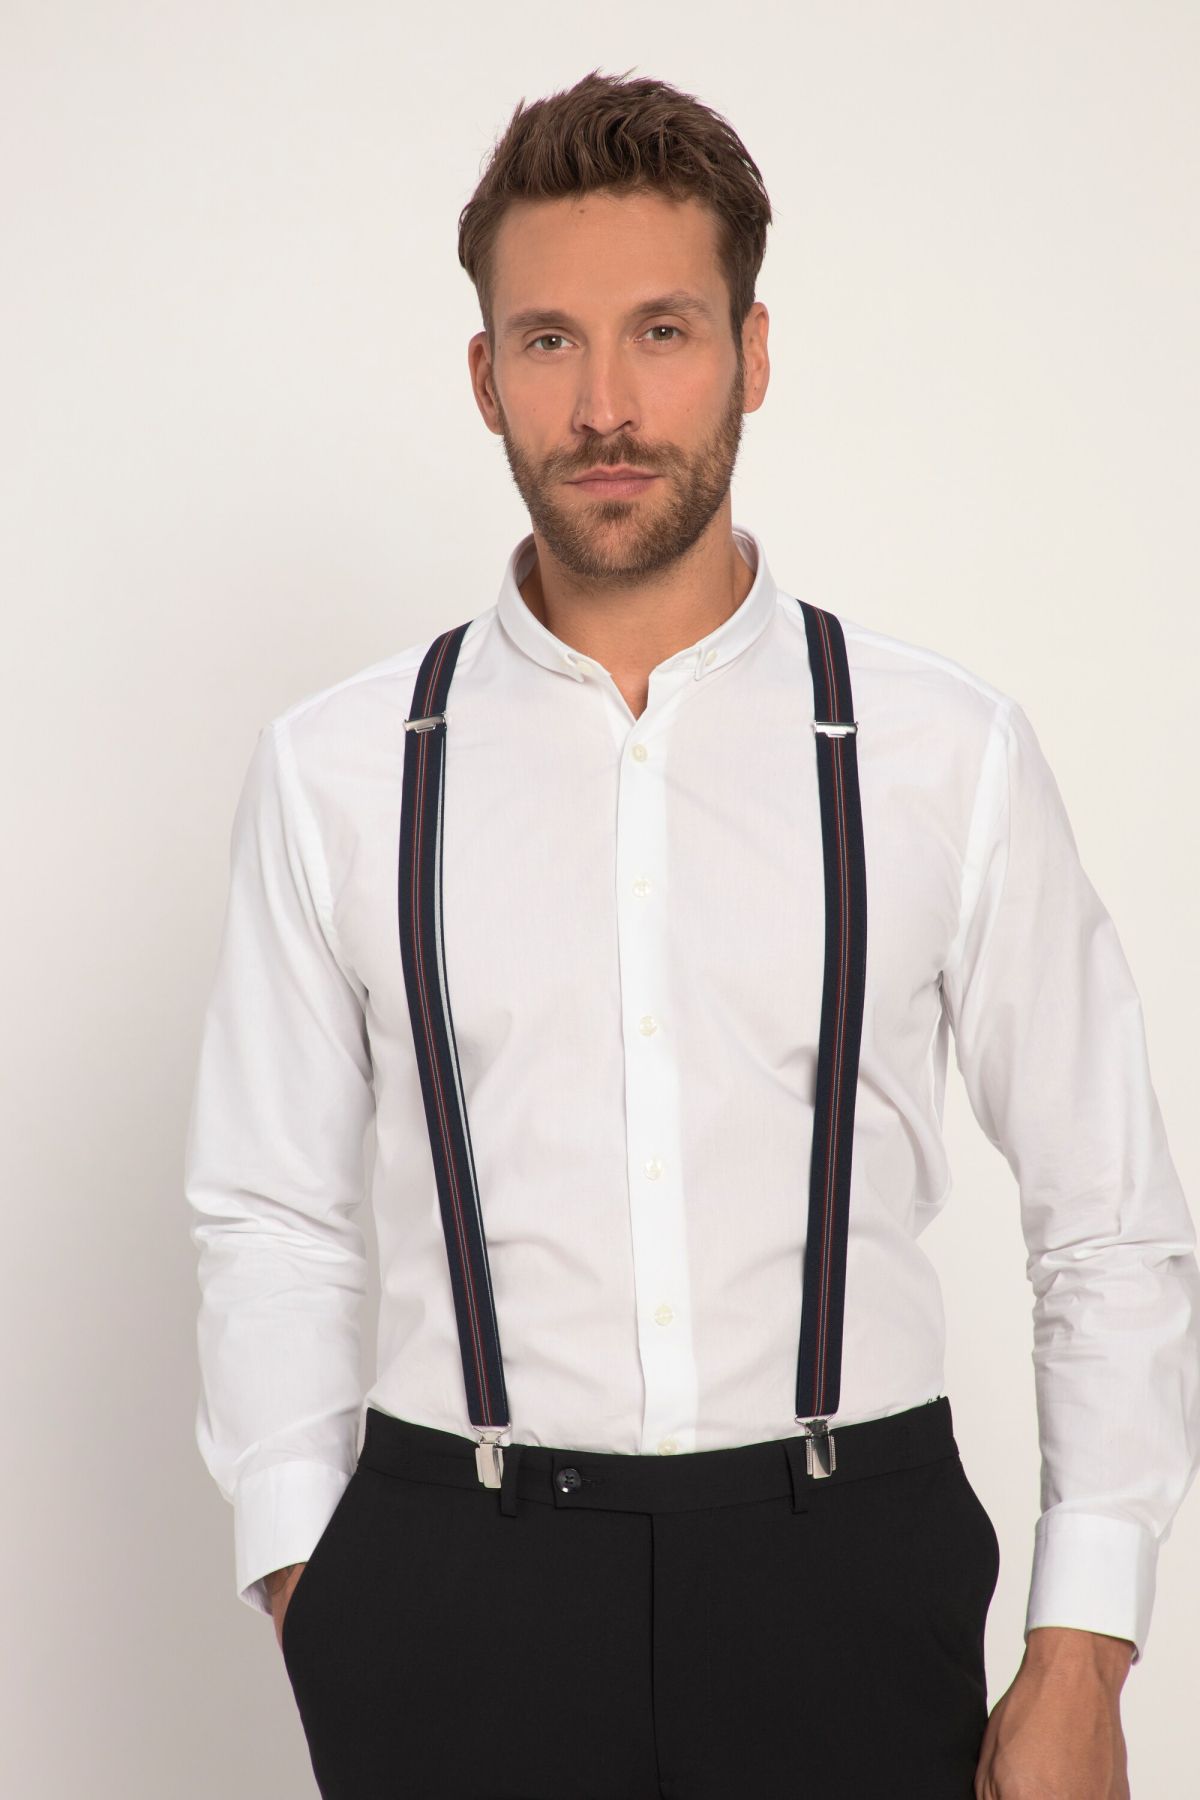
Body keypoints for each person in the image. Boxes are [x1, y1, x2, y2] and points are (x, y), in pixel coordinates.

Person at [184, 67, 1200, 1800]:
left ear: (750, 352)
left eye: (661, 331)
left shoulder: (943, 752)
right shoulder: (337, 769)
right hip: (452, 1589)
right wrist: (311, 1588)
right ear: (485, 374)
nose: (605, 405)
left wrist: (1085, 1643)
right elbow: (270, 1213)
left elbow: (1106, 1215)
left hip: (848, 1571)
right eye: (550, 341)